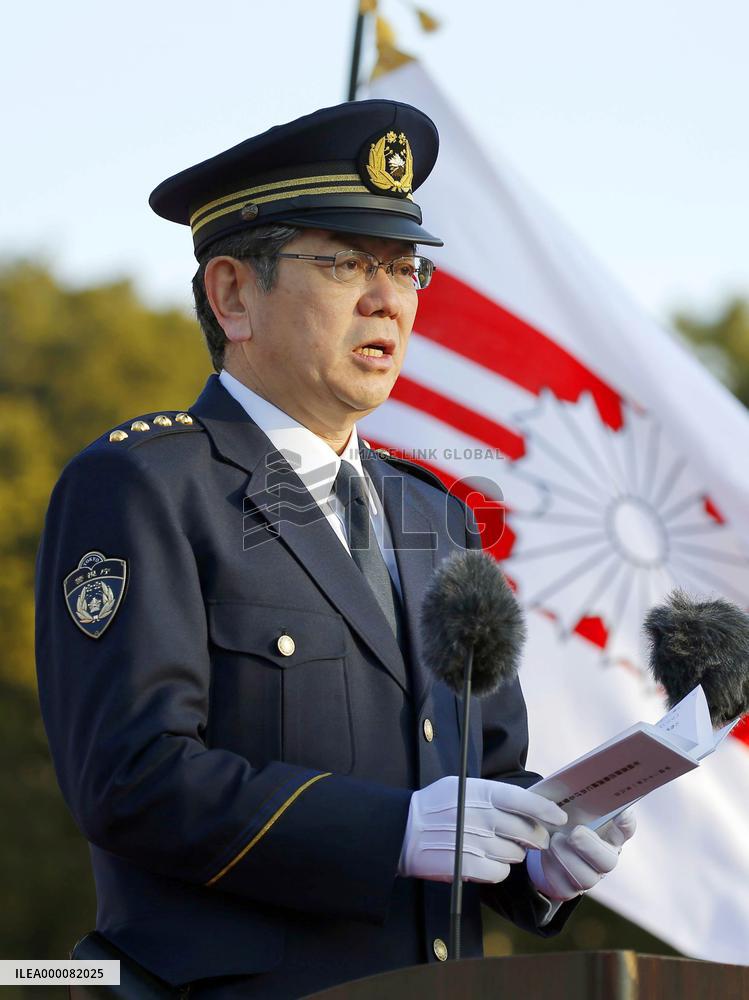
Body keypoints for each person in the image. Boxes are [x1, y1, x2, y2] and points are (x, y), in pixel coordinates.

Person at [35, 99, 635, 999]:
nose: (386, 297)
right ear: (233, 293)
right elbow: (131, 777)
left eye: (403, 268)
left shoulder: (439, 516)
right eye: (347, 262)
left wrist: (539, 855)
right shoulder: (144, 487)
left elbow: (483, 773)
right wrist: (390, 830)